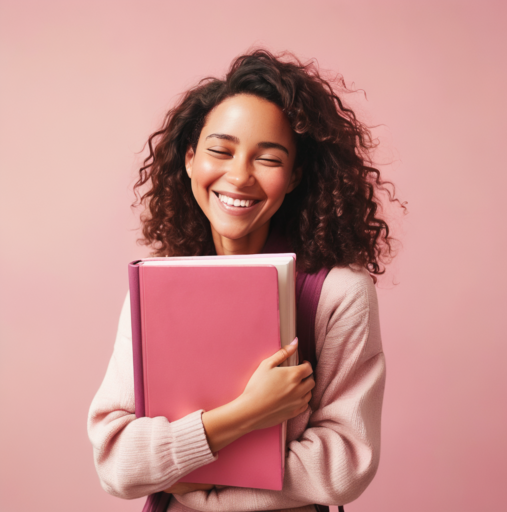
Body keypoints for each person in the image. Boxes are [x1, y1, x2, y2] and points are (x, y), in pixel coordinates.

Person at [88, 49, 397, 511]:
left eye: (268, 159)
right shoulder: (153, 288)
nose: (238, 176)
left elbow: (343, 464)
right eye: (220, 150)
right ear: (190, 159)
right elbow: (116, 460)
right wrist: (249, 412)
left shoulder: (338, 293)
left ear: (293, 177)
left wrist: (196, 485)